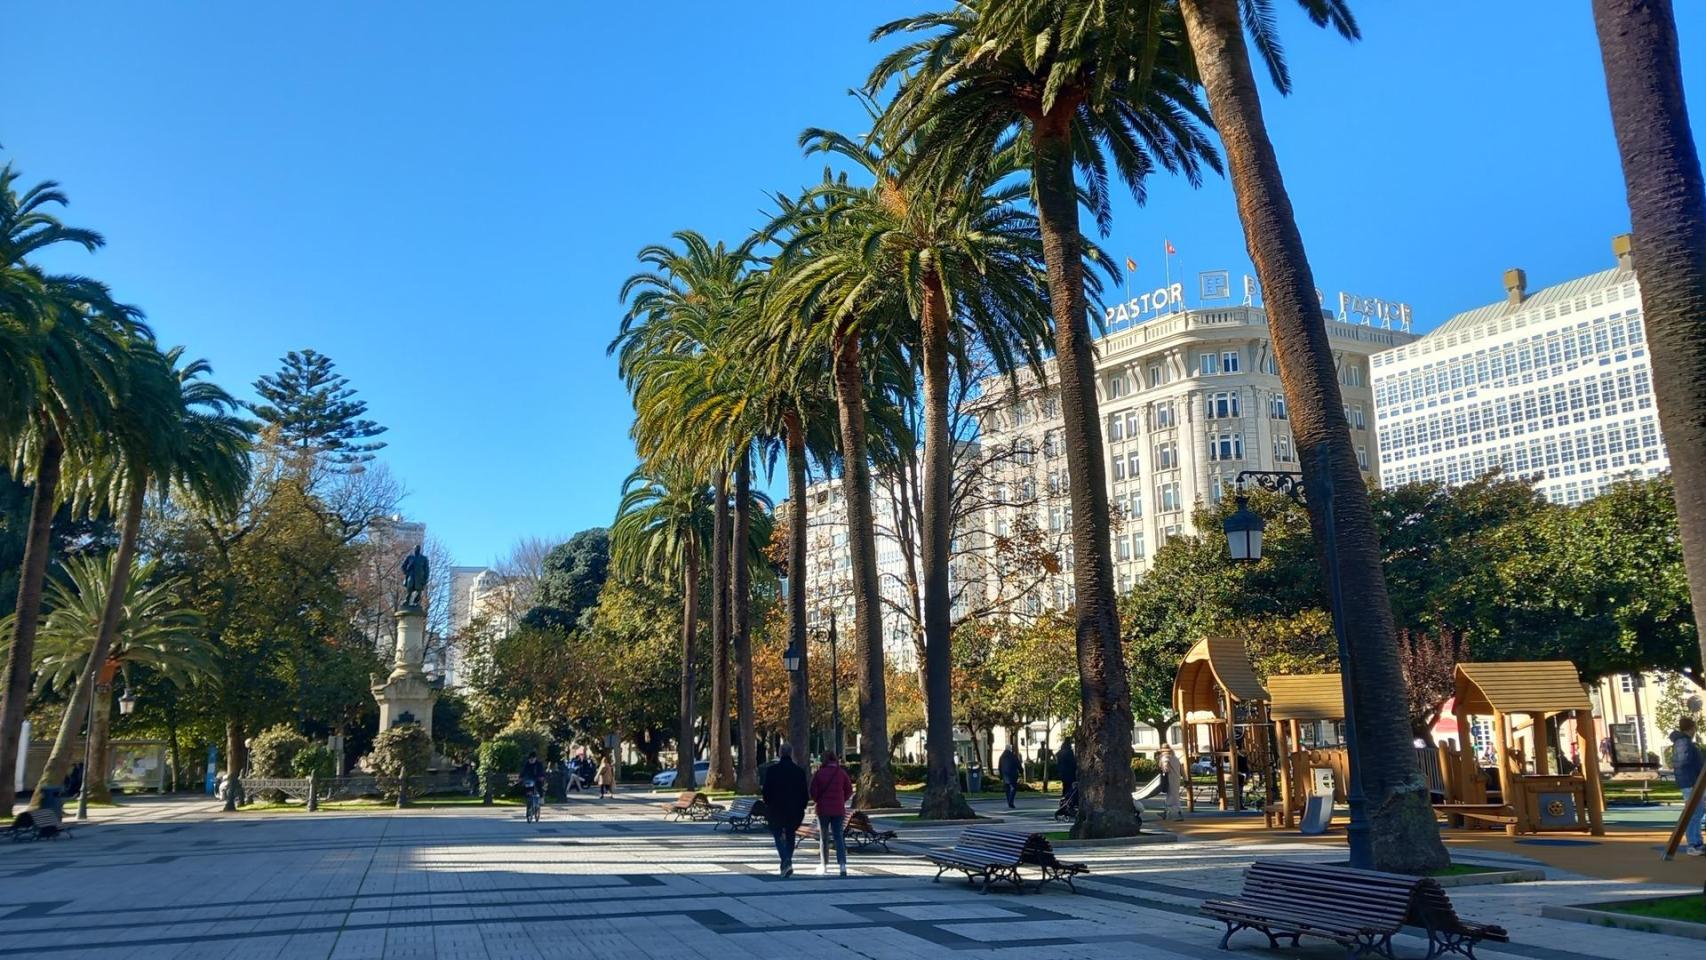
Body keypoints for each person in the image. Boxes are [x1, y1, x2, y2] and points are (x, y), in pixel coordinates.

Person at [761, 744, 810, 877]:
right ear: (791, 753)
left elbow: (765, 791)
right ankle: (787, 859)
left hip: (776, 808)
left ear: (780, 753)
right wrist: (802, 806)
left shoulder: (772, 771)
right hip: (794, 809)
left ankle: (786, 860)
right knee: (790, 834)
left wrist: (768, 803)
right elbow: (804, 793)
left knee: (777, 835)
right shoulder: (799, 772)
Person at [808, 751, 854, 877]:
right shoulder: (841, 773)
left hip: (823, 810)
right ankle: (842, 865)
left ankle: (824, 865)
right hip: (838, 809)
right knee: (839, 837)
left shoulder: (819, 773)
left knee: (824, 837)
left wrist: (818, 800)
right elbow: (849, 790)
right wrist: (841, 800)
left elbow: (813, 791)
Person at [1670, 716, 1704, 856]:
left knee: (1698, 811)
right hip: (1691, 783)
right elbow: (1684, 763)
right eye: (1695, 728)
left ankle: (1697, 842)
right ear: (1691, 729)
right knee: (1695, 812)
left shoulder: (1683, 742)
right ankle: (1693, 844)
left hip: (1690, 782)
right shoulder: (1684, 743)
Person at [1158, 744, 1184, 821]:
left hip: (1170, 778)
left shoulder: (1165, 757)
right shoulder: (1175, 758)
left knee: (1172, 797)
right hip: (1177, 778)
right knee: (1173, 796)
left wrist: (1164, 770)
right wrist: (1185, 779)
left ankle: (1177, 814)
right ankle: (1166, 813)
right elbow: (1181, 769)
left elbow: (1166, 768)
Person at [998, 745, 1021, 809]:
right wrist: (1021, 771)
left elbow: (999, 767)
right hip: (1013, 775)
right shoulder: (1013, 756)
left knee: (1007, 790)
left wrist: (1001, 775)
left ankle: (1009, 802)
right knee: (1013, 788)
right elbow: (1018, 764)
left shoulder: (1001, 757)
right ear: (1010, 749)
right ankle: (1011, 802)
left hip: (1005, 775)